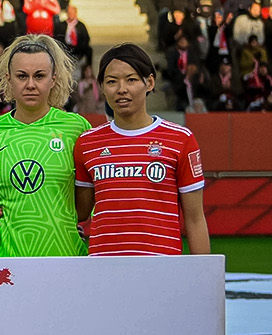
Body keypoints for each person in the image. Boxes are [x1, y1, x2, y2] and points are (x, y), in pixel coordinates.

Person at [74, 44, 210, 256]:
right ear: (101, 86)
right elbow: (77, 213)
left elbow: (195, 219)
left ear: (150, 82)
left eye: (131, 79)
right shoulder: (87, 143)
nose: (121, 89)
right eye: (111, 81)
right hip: (102, 270)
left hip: (162, 269)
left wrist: (204, 278)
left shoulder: (181, 139)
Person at [0, 35, 90, 257]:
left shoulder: (77, 128)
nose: (30, 84)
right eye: (22, 76)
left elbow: (87, 202)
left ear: (53, 79)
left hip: (66, 257)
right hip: (10, 260)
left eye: (39, 76)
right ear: (8, 79)